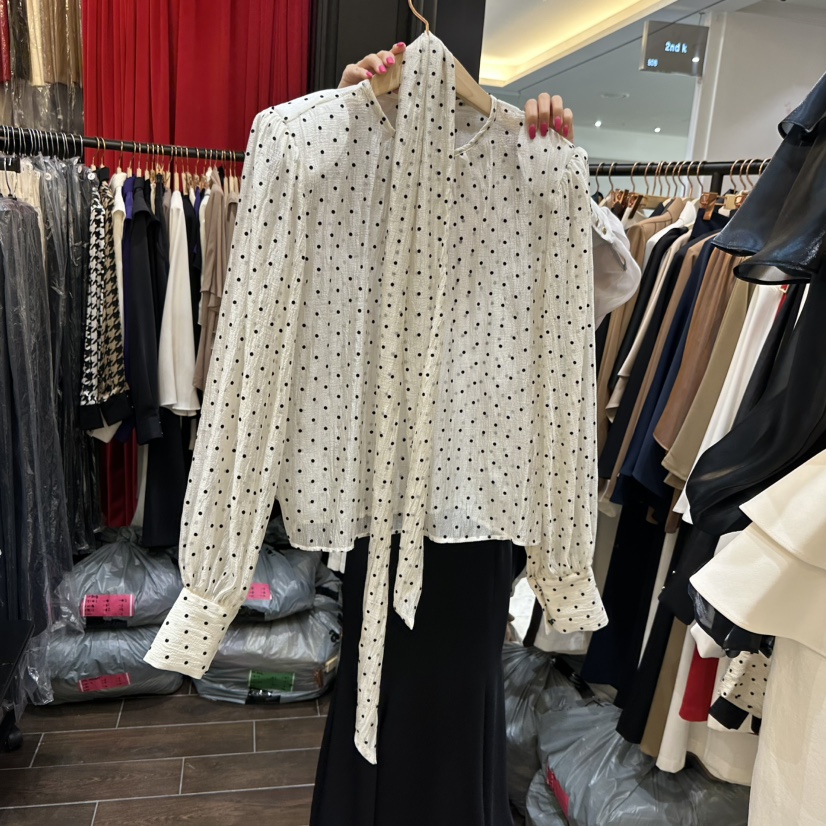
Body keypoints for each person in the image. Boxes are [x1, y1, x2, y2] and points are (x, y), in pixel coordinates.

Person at [310, 44, 640, 826]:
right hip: (380, 497)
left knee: (458, 695)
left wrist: (554, 168)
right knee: (373, 685)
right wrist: (347, 123)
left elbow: (606, 278)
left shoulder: (520, 172)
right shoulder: (359, 168)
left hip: (481, 501)